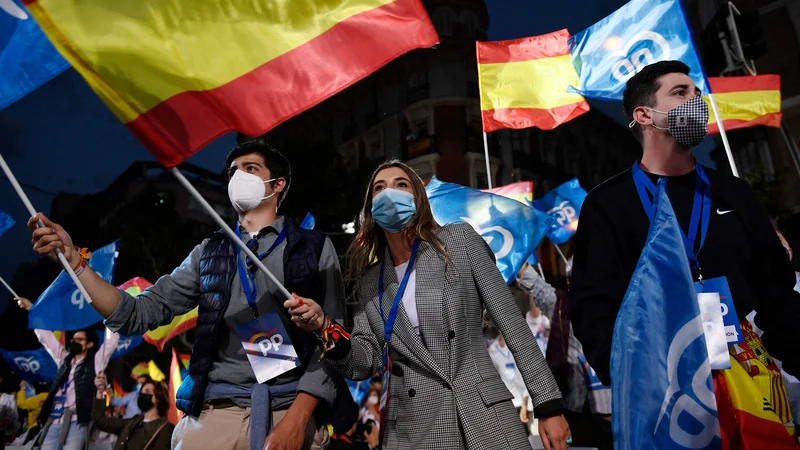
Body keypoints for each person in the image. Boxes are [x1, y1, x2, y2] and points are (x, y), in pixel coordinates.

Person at [27, 138, 350, 450]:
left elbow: (334, 340)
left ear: (277, 185)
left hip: (289, 409)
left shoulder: (313, 247)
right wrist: (75, 263)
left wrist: (298, 420)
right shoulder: (207, 253)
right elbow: (136, 315)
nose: (239, 177)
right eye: (233, 171)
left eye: (250, 169)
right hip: (213, 413)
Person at [570, 60, 800, 443]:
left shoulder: (734, 193)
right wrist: (635, 379)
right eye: (681, 93)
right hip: (667, 397)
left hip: (751, 381)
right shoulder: (607, 204)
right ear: (644, 115)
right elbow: (593, 308)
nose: (697, 101)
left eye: (697, 93)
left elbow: (777, 292)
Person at [286, 160, 571, 450]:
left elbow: (513, 325)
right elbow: (364, 361)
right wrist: (324, 326)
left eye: (401, 184)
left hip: (484, 415)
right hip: (414, 428)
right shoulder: (371, 281)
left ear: (418, 198)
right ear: (371, 207)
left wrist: (548, 404)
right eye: (379, 188)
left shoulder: (459, 241)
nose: (389, 193)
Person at [16, 297, 120, 450]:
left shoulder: (96, 362)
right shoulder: (63, 358)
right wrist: (33, 310)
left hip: (78, 421)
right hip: (55, 418)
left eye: (79, 339)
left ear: (89, 344)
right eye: (73, 339)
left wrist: (110, 315)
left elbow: (111, 342)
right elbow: (46, 338)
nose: (74, 341)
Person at [91, 373, 173, 450]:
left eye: (147, 391)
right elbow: (101, 421)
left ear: (158, 399)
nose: (142, 394)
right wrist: (100, 392)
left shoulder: (165, 428)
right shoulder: (135, 421)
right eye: (141, 391)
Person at [15, 380, 48, 444]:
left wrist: (23, 388)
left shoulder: (41, 397)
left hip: (36, 429)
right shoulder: (52, 395)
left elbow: (21, 404)